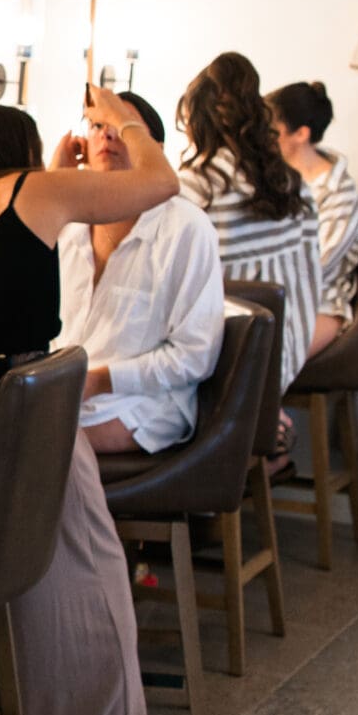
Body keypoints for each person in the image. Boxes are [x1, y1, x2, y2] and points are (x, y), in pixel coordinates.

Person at [0, 95, 183, 715]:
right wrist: (124, 119)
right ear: (26, 151)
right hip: (22, 421)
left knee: (21, 581)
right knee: (90, 584)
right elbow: (161, 184)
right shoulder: (37, 191)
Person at [57, 87, 225, 455]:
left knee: (40, 446)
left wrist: (99, 381)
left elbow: (195, 354)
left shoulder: (186, 229)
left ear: (156, 152)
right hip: (62, 393)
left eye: (121, 124)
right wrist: (56, 178)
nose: (108, 134)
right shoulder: (68, 223)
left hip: (146, 399)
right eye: (98, 125)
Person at [178, 51, 320, 392]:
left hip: (226, 362)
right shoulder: (292, 182)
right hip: (286, 350)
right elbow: (310, 276)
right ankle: (270, 428)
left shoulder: (198, 186)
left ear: (197, 121)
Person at [268, 79, 358, 359]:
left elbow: (319, 264)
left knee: (257, 364)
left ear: (301, 133)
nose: (266, 138)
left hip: (319, 304)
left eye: (273, 131)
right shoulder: (275, 181)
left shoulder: (339, 193)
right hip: (273, 297)